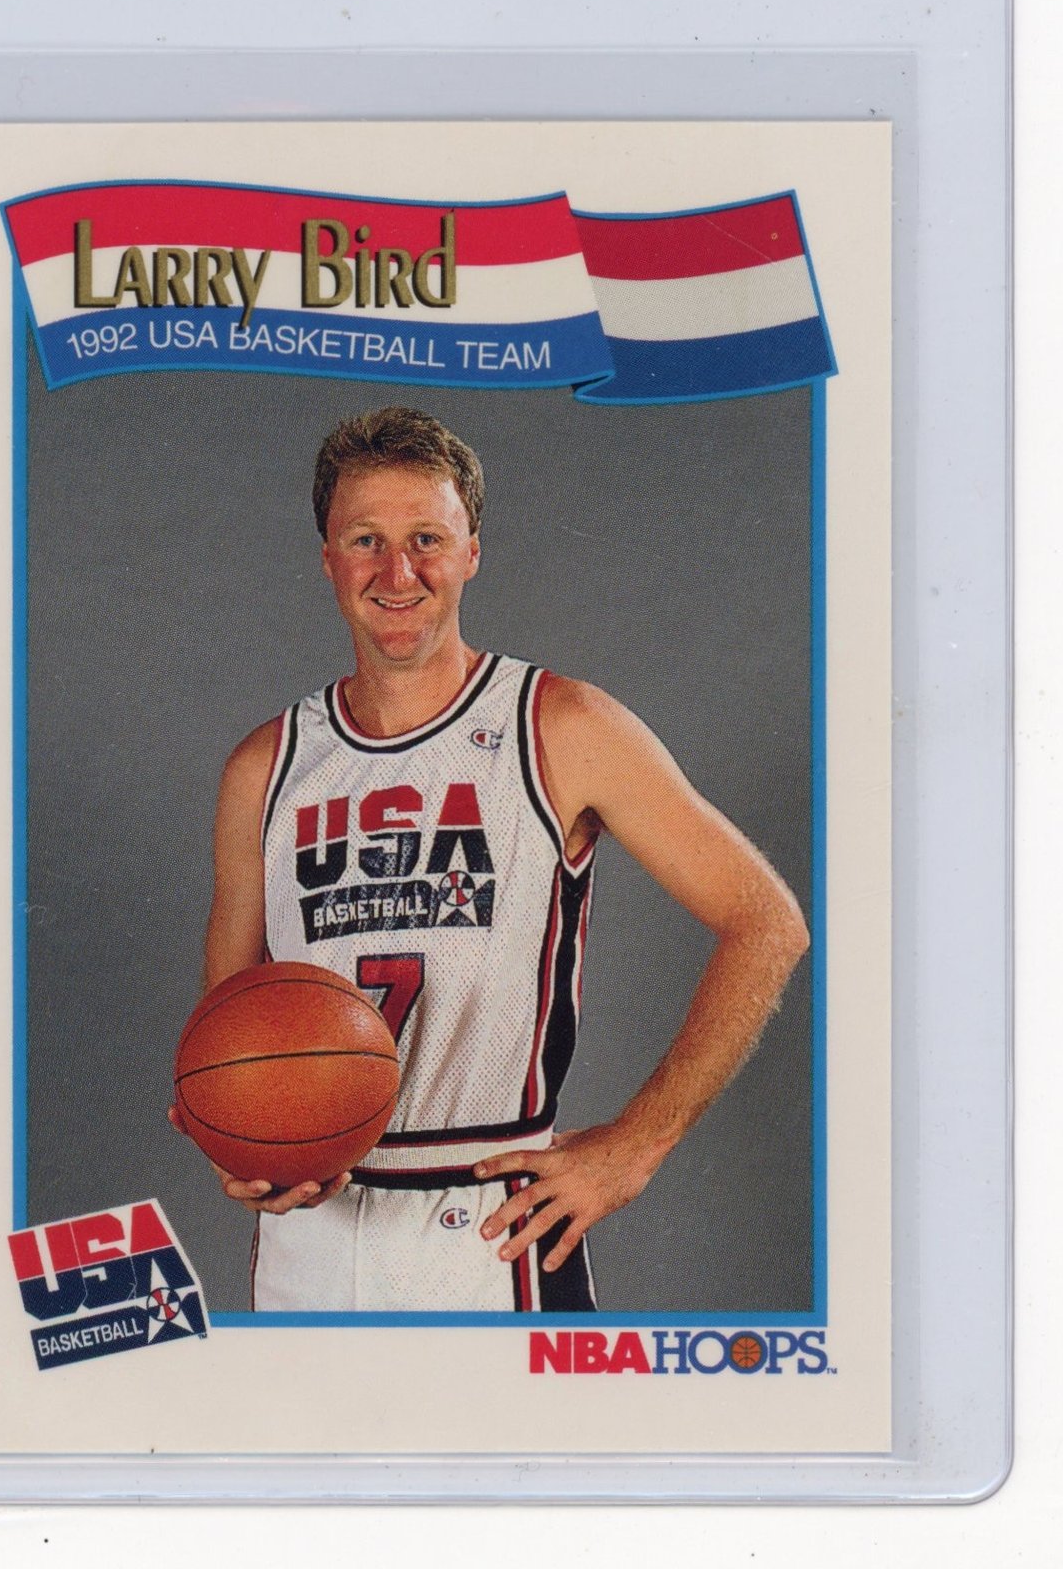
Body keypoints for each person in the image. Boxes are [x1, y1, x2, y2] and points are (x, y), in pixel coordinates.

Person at [172, 405, 810, 1312]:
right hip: (305, 1244)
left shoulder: (560, 725)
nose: (398, 572)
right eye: (366, 540)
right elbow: (229, 1019)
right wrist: (240, 1134)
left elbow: (766, 923)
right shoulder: (265, 767)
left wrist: (636, 1146)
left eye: (426, 539)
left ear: (471, 551)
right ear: (328, 559)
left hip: (486, 1235)